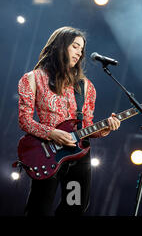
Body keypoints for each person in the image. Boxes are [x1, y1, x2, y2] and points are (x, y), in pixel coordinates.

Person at [17, 26, 121, 216]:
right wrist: (51, 133)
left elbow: (87, 126)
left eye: (81, 49)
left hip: (79, 157)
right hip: (47, 152)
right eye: (75, 46)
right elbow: (24, 120)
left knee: (76, 208)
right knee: (38, 208)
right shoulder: (32, 78)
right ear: (60, 46)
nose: (79, 53)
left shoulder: (86, 86)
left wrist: (105, 128)